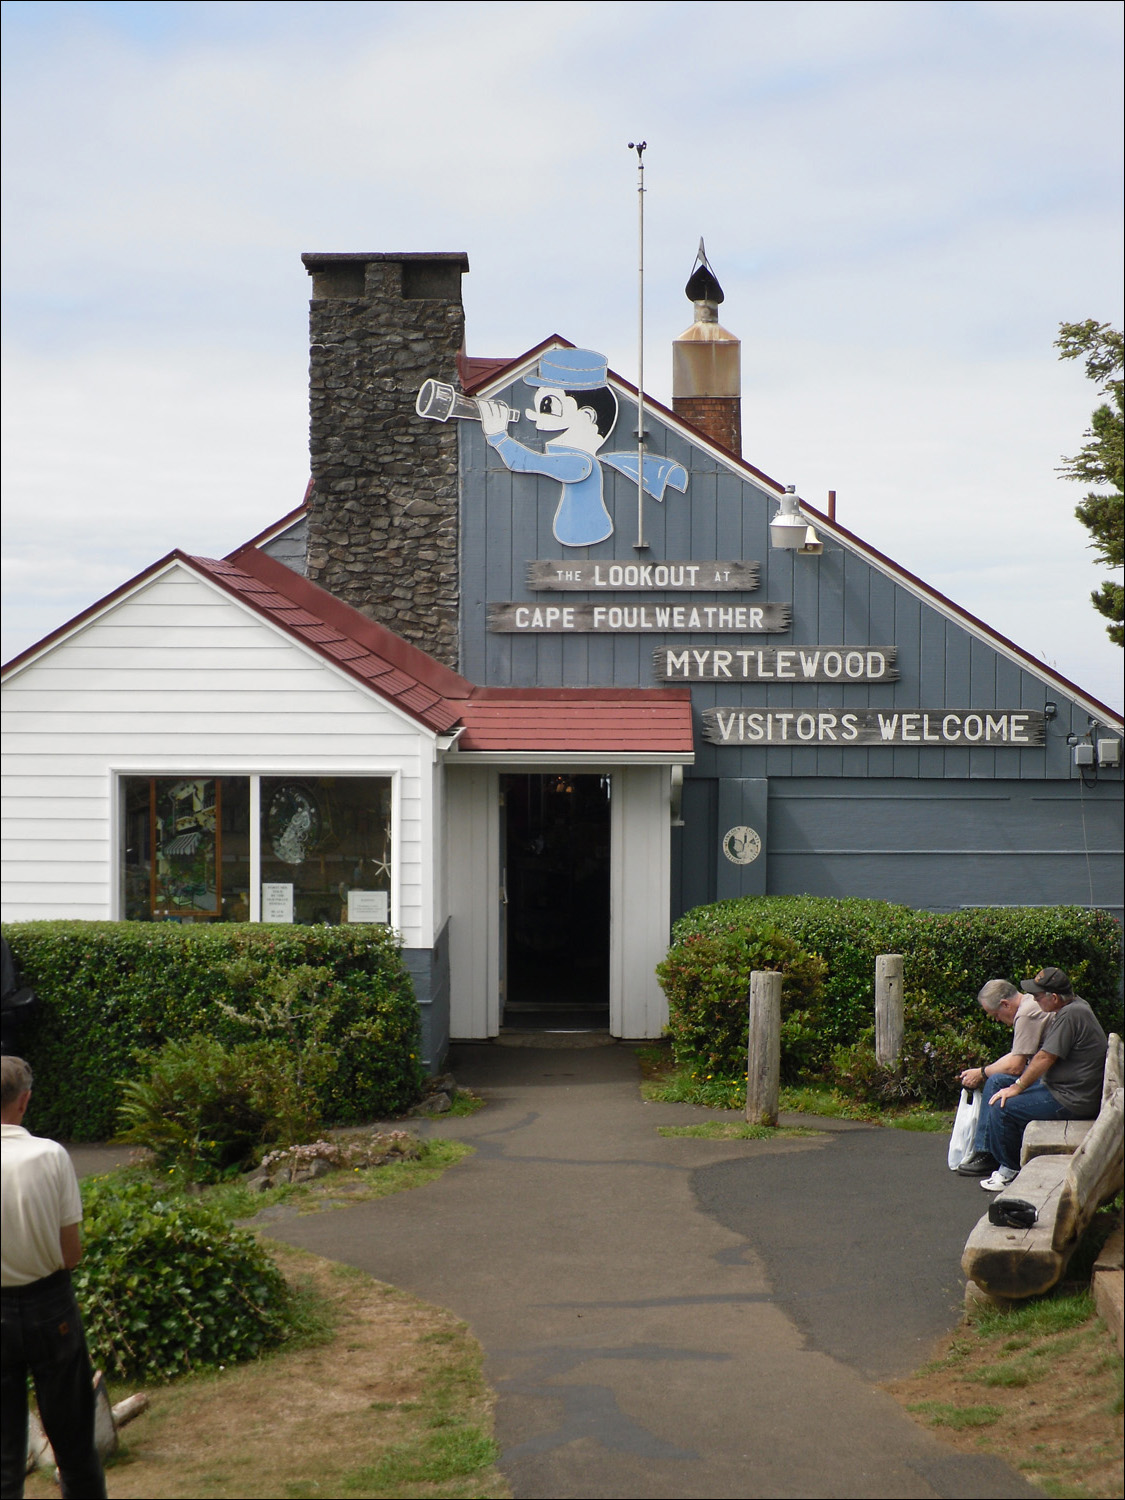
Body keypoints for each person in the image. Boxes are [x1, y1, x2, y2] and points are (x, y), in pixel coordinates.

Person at [1, 1057, 106, 1499]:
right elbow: (72, 1253)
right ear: (24, 1101)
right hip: (50, 1306)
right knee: (74, 1446)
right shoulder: (50, 1155)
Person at [979, 967, 1109, 1192]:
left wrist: (1018, 1087)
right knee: (999, 1083)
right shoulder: (1073, 1007)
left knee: (1003, 1107)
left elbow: (1044, 1057)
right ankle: (989, 1154)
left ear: (1054, 997)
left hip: (1072, 1099)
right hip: (1067, 1089)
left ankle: (1010, 1170)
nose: (1034, 999)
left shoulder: (1071, 1015)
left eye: (1038, 996)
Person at [954, 979, 1050, 1176]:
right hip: (1048, 1075)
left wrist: (981, 1072)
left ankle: (988, 1153)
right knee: (995, 1079)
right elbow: (1018, 1054)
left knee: (996, 1083)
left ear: (1005, 1004)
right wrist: (983, 1070)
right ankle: (985, 1150)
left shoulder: (1026, 1014)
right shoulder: (1030, 1003)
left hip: (1051, 1082)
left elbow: (1015, 1067)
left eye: (996, 1014)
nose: (997, 1019)